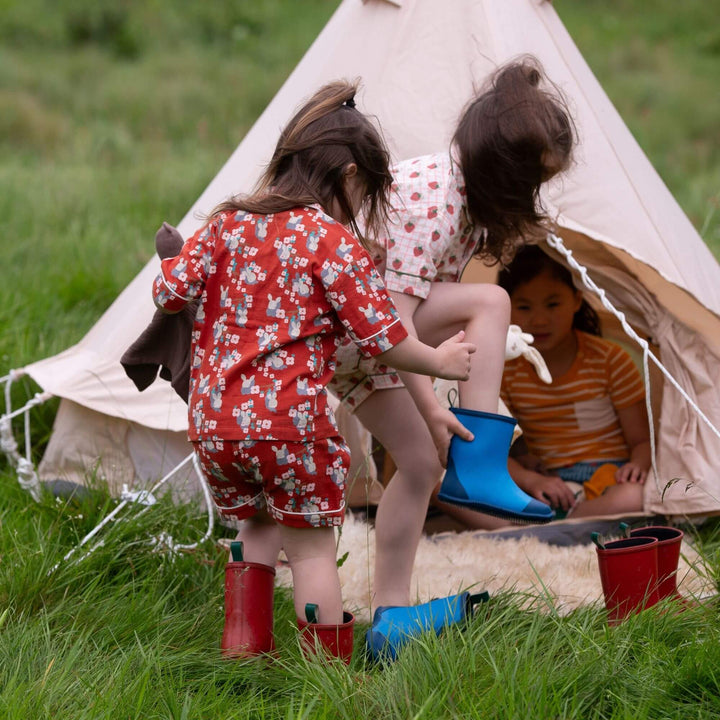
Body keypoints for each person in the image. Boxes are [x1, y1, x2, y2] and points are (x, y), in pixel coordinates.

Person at [151, 80, 477, 662]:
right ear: (349, 177)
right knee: (310, 554)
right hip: (289, 429)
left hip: (215, 425)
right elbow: (384, 336)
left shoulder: (226, 223)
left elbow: (170, 293)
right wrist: (441, 361)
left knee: (253, 531)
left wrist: (174, 257)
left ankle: (243, 653)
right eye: (363, 195)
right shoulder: (330, 241)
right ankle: (326, 670)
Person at [326, 57, 577, 657]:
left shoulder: (463, 204)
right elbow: (393, 326)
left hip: (362, 344)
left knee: (416, 465)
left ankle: (390, 617)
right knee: (490, 301)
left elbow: (394, 327)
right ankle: (480, 463)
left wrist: (432, 414)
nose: (534, 198)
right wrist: (437, 407)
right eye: (533, 184)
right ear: (506, 174)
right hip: (350, 331)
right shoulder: (433, 197)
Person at [497, 244, 650, 519]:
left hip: (608, 477)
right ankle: (553, 521)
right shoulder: (507, 370)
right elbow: (493, 449)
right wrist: (533, 481)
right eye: (523, 306)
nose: (540, 319)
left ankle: (551, 524)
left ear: (577, 301)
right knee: (442, 481)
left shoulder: (610, 359)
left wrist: (637, 465)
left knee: (635, 496)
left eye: (553, 304)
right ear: (505, 308)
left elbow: (641, 440)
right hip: (548, 483)